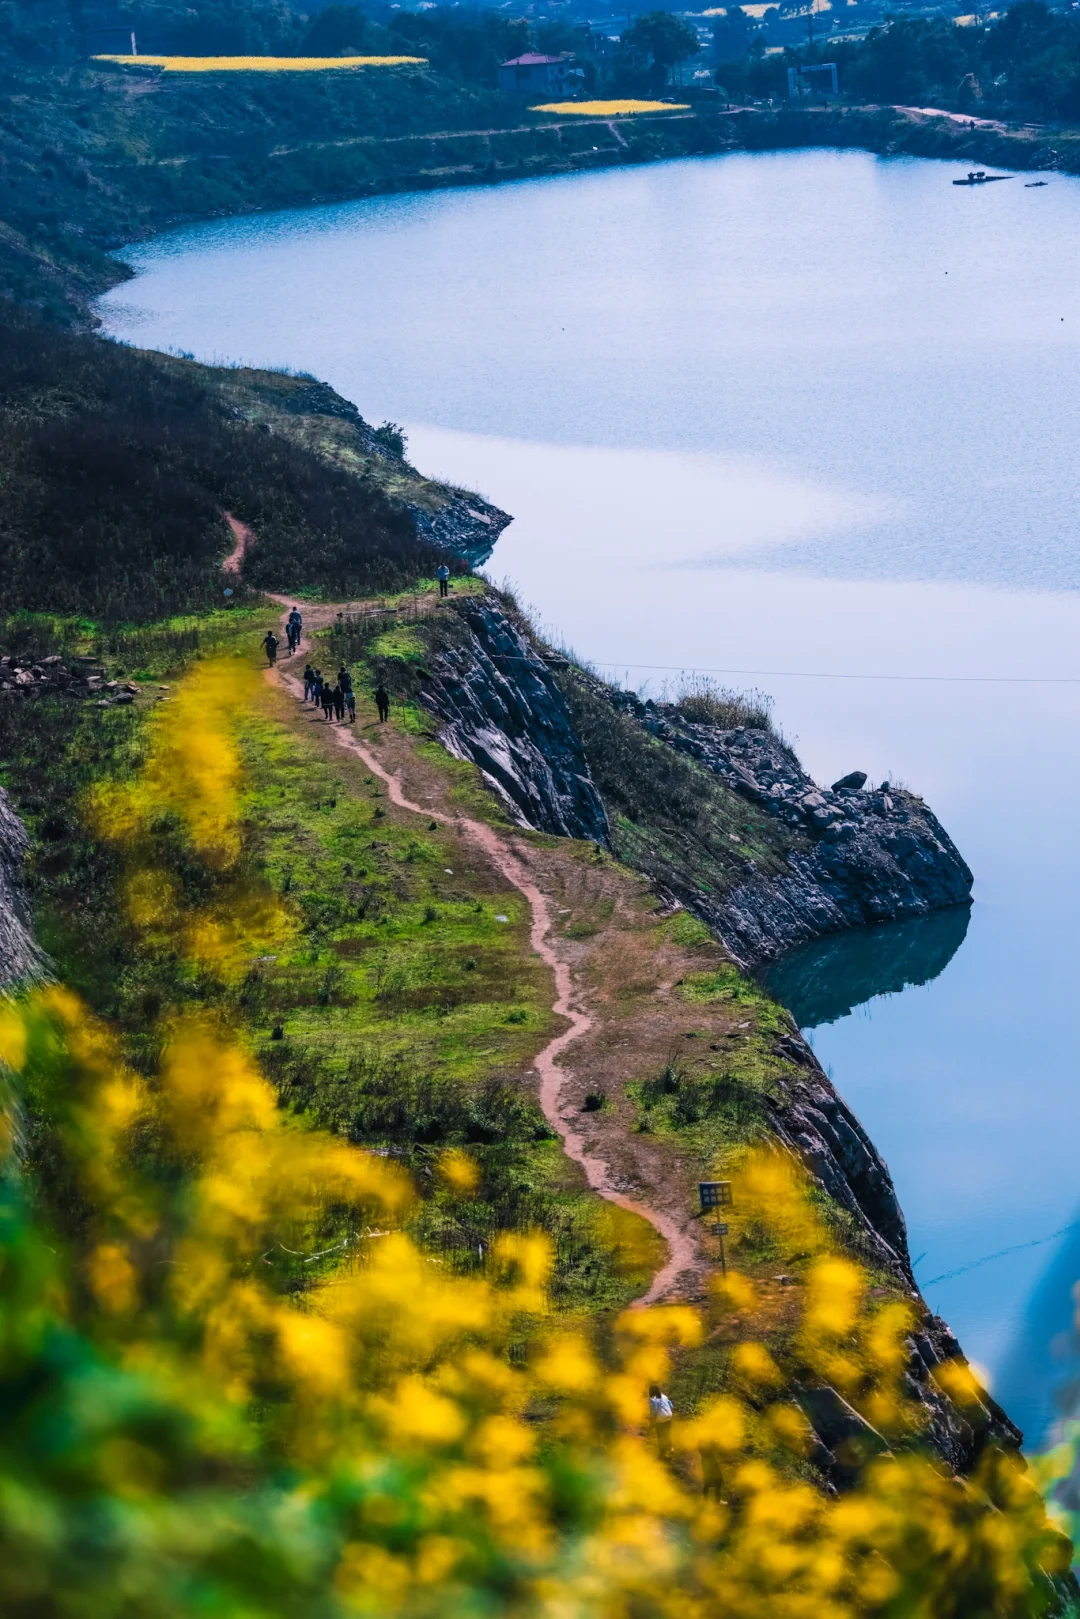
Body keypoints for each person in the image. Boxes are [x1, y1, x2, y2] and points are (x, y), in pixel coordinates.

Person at [648, 1384, 674, 1459]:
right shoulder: (664, 1396)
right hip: (669, 1416)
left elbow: (654, 1412)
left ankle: (663, 1453)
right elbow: (671, 1405)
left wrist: (651, 1423)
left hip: (661, 1419)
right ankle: (671, 1448)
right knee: (667, 1434)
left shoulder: (653, 1400)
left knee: (661, 1436)